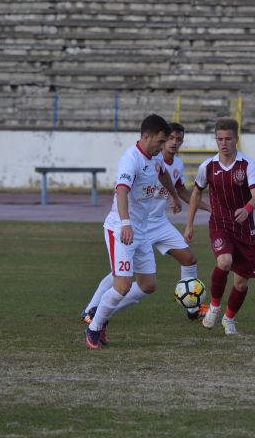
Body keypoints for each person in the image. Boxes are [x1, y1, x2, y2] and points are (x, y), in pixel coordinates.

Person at [81, 122, 211, 324]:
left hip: (159, 222)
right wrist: (125, 221)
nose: (174, 143)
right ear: (161, 139)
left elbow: (181, 190)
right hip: (138, 224)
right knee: (123, 275)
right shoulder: (138, 159)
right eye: (170, 138)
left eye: (179, 139)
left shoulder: (174, 164)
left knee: (188, 259)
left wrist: (204, 206)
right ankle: (92, 311)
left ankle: (192, 308)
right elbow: (122, 188)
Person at [85, 114, 183, 349]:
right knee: (123, 285)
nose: (162, 147)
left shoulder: (155, 157)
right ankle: (94, 327)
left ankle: (100, 313)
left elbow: (163, 174)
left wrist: (174, 194)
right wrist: (126, 223)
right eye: (160, 142)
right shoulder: (131, 159)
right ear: (146, 137)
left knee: (148, 285)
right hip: (121, 229)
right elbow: (121, 191)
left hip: (142, 229)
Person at [184, 118, 255, 335]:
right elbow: (196, 193)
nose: (224, 143)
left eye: (228, 138)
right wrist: (189, 224)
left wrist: (247, 208)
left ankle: (229, 319)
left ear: (236, 139)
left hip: (245, 229)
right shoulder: (207, 167)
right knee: (224, 261)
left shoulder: (247, 165)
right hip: (219, 224)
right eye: (219, 139)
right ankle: (214, 307)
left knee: (241, 284)